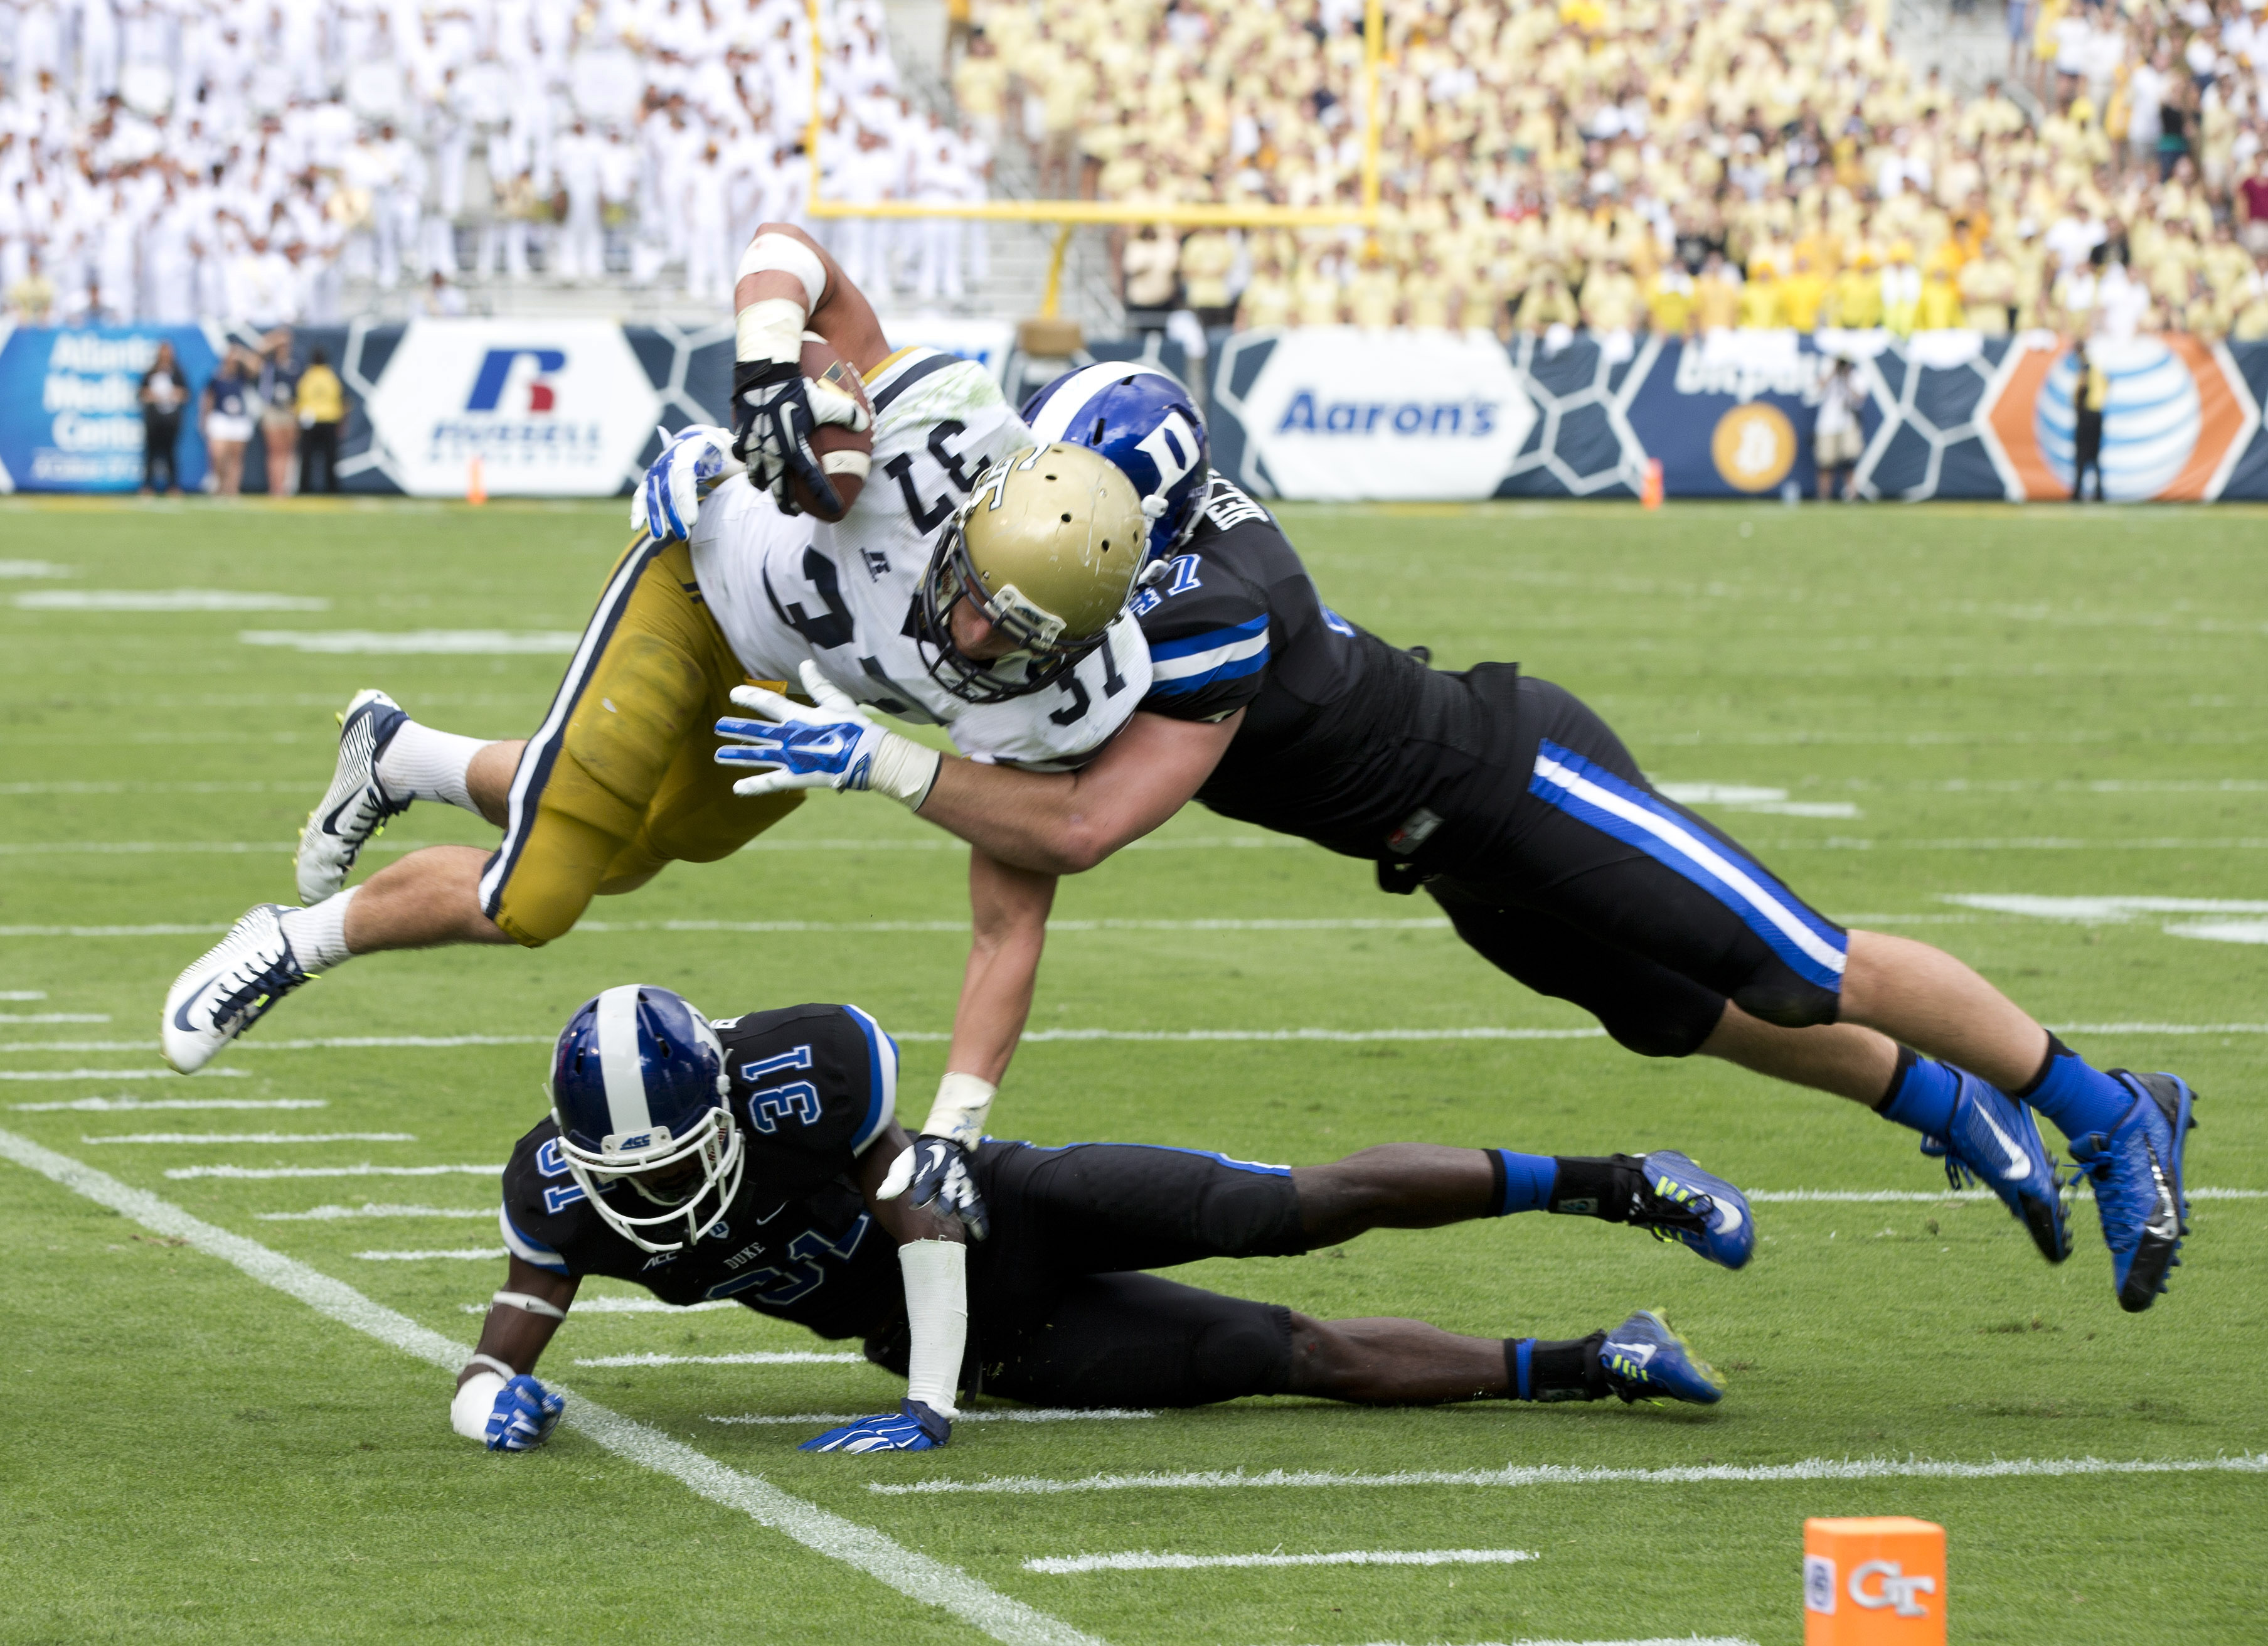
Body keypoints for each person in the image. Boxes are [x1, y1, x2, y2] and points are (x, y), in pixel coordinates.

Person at [713, 370, 2200, 1317]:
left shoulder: (1215, 604)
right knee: (1685, 1013)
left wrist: (884, 758)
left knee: (1798, 963)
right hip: (1441, 854)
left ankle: (2108, 1102)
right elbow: (1010, 848)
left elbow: (1081, 824)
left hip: (1510, 773)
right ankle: (1943, 1106)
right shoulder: (1056, 553)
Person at [157, 225, 1147, 1217]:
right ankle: (291, 941)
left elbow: (1008, 921)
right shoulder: (944, 428)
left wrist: (952, 1135)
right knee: (537, 893)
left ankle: (399, 755)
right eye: (973, 592)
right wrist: (760, 380)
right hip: (694, 585)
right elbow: (791, 252)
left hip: (792, 696)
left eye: (1012, 634)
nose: (972, 633)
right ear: (974, 514)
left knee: (627, 852)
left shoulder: (1058, 696)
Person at [451, 984, 1737, 1453]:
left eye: (680, 1157)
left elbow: (930, 1225)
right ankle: (1596, 1360)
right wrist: (484, 1398)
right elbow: (514, 1318)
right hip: (988, 1340)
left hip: (1011, 1213)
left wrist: (929, 1413)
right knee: (1276, 1351)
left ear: (724, 1101)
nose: (660, 1193)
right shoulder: (560, 1191)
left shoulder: (805, 1072)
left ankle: (1620, 1179)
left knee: (1282, 1209)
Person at [200, 346, 257, 497]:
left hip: (238, 419)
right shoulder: (217, 377)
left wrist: (242, 355)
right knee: (218, 455)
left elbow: (257, 367)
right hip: (221, 417)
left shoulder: (241, 376)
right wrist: (204, 419)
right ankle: (220, 484)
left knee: (236, 457)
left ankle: (232, 489)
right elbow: (208, 399)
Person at [139, 340, 188, 497]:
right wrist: (154, 396)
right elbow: (141, 394)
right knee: (151, 454)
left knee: (170, 453)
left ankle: (173, 486)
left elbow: (186, 394)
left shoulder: (177, 373)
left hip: (171, 421)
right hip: (154, 420)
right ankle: (148, 486)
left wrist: (172, 394)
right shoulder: (151, 372)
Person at [257, 332, 302, 497]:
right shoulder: (269, 363)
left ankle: (286, 487)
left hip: (289, 410)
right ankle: (275, 488)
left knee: (289, 452)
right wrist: (276, 338)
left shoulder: (295, 363)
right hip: (273, 410)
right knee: (275, 452)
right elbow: (259, 348)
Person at [296, 348, 345, 494]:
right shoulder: (332, 377)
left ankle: (304, 489)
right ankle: (332, 489)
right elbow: (343, 401)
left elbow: (298, 399)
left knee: (307, 458)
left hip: (309, 423)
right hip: (330, 420)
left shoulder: (306, 377)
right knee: (331, 458)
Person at [1814, 356, 1863, 500]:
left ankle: (1853, 495)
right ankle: (1824, 496)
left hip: (1847, 423)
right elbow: (1816, 390)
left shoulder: (1855, 376)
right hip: (1827, 424)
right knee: (1825, 462)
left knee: (1849, 462)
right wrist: (1832, 373)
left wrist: (1847, 379)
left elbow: (1859, 399)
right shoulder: (1828, 373)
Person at [2070, 339, 2108, 502]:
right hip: (2097, 413)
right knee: (2095, 456)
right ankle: (2099, 493)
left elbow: (2082, 388)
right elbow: (2108, 383)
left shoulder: (2086, 367)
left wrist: (2079, 405)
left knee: (2082, 455)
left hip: (2087, 414)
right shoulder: (2097, 368)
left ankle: (2078, 493)